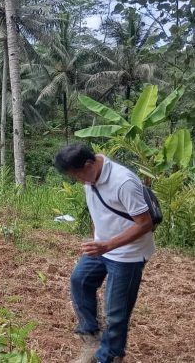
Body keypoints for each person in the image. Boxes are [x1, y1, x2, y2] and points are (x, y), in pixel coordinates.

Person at [54, 145, 155, 363]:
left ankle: (109, 356)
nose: (78, 181)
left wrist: (107, 245)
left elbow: (145, 223)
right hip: (103, 246)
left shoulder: (123, 182)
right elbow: (99, 211)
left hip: (128, 253)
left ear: (89, 164)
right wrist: (97, 240)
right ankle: (91, 338)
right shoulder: (90, 178)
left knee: (116, 311)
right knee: (80, 281)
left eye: (77, 175)